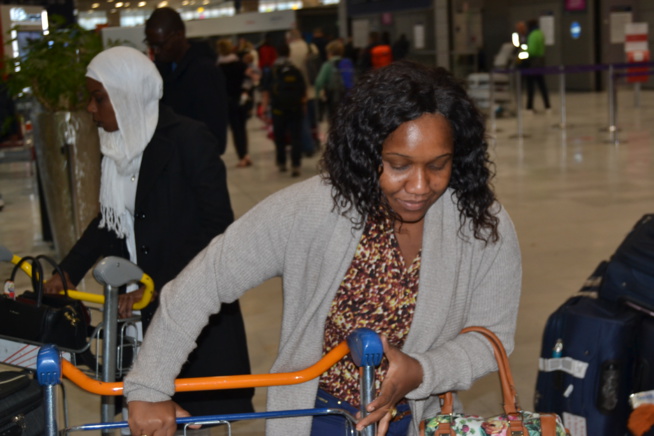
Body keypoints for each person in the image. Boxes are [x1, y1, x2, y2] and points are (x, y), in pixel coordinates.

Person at [124, 60, 522, 436]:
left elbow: (492, 339)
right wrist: (148, 387)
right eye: (399, 164)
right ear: (368, 152)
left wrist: (423, 371)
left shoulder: (481, 223)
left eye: (438, 165)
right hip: (317, 418)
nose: (419, 186)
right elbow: (204, 282)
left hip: (415, 421)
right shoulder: (313, 208)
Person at [43, 46, 253, 420]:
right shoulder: (117, 148)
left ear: (127, 95)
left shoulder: (189, 140)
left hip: (190, 309)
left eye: (98, 98)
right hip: (138, 310)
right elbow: (110, 220)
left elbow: (216, 228)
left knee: (190, 415)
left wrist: (155, 281)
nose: (91, 109)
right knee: (145, 410)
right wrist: (67, 271)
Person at [144, 7, 229, 155]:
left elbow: (215, 136)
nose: (156, 51)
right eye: (151, 45)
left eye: (161, 44)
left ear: (179, 35)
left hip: (195, 165)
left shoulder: (204, 71)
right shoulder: (161, 70)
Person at [260, 42, 306, 177]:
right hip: (295, 107)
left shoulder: (272, 70)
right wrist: (303, 107)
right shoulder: (295, 69)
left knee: (279, 137)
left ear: (277, 53)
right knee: (296, 137)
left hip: (278, 109)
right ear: (289, 53)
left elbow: (266, 91)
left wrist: (263, 108)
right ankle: (296, 165)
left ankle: (281, 163)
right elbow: (302, 91)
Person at [216, 38, 254, 168]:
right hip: (241, 100)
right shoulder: (240, 64)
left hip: (227, 102)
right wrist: (245, 92)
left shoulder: (218, 68)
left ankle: (242, 155)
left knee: (236, 129)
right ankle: (245, 154)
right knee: (242, 128)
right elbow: (249, 79)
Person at [287, 28, 320, 157]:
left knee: (302, 119)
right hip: (313, 87)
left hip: (298, 90)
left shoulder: (289, 49)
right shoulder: (311, 47)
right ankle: (315, 141)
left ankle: (307, 145)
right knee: (313, 119)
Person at [314, 39, 354, 121]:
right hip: (347, 97)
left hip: (333, 98)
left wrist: (318, 95)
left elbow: (319, 82)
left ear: (330, 53)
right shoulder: (347, 63)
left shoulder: (327, 65)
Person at [524, 19, 550, 113]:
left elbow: (531, 50)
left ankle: (529, 107)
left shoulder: (532, 35)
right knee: (542, 84)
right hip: (540, 61)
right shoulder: (540, 33)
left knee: (530, 85)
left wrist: (524, 54)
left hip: (533, 62)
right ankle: (547, 105)